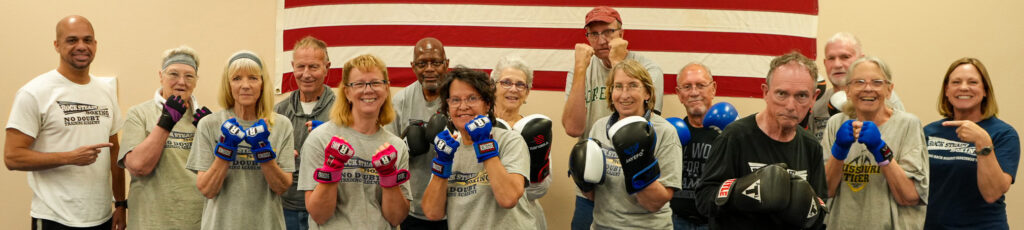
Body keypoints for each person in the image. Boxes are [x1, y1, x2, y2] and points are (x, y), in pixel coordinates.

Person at [4, 15, 126, 230]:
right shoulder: (34, 92)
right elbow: (12, 157)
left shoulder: (105, 92)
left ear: (95, 45)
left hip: (102, 217)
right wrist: (69, 157)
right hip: (54, 218)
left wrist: (120, 204)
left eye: (87, 40)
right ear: (57, 45)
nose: (81, 46)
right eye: (72, 40)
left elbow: (115, 152)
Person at [696, 52, 827, 229]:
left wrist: (807, 209)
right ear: (765, 92)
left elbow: (820, 211)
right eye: (782, 93)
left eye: (801, 96)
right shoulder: (735, 137)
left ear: (814, 97)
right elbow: (704, 200)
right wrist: (742, 192)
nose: (790, 105)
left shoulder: (811, 146)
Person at [562, 7, 664, 229]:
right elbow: (573, 127)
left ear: (622, 34)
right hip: (591, 187)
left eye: (608, 32)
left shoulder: (648, 69)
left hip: (632, 185)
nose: (601, 40)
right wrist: (580, 69)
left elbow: (644, 126)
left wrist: (618, 62)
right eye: (594, 34)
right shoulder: (581, 71)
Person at [298, 54, 411, 229]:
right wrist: (331, 170)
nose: (368, 90)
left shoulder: (396, 146)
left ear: (387, 88)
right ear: (347, 92)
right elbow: (319, 215)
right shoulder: (320, 139)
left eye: (375, 83)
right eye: (359, 84)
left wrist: (389, 178)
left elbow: (396, 218)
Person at [185, 51, 295, 229]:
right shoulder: (210, 124)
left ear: (263, 83)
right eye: (236, 78)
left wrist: (263, 150)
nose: (245, 85)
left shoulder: (281, 125)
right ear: (228, 85)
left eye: (253, 78)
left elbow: (282, 187)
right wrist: (225, 149)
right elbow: (207, 190)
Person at [570, 59, 681, 229]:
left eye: (633, 85)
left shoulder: (665, 131)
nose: (624, 94)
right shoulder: (599, 127)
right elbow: (593, 196)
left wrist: (637, 163)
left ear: (647, 93)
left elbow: (654, 203)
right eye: (618, 86)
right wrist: (583, 180)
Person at [821, 56, 928, 229]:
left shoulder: (908, 124)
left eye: (877, 82)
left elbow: (910, 196)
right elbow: (825, 192)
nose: (868, 88)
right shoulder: (836, 124)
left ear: (889, 90)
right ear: (847, 90)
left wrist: (880, 149)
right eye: (859, 82)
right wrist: (839, 151)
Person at [420, 67, 535, 229]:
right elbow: (432, 212)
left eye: (472, 98)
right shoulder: (449, 148)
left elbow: (508, 199)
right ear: (448, 107)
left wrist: (484, 144)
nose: (463, 106)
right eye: (455, 100)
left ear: (487, 104)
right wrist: (442, 164)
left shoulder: (510, 140)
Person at [118, 45, 210, 229]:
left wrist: (211, 135)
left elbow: (218, 176)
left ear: (196, 81)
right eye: (173, 74)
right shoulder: (139, 114)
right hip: (149, 221)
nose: (181, 82)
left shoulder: (206, 119)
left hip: (195, 221)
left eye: (189, 76)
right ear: (161, 76)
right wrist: (165, 123)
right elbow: (138, 167)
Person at [923, 58, 1019, 229]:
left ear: (985, 91)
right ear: (947, 90)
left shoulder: (1004, 134)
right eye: (956, 82)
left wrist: (982, 142)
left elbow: (992, 193)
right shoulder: (929, 132)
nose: (964, 87)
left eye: (973, 82)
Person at [386, 37, 450, 230]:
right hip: (413, 207)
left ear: (446, 64)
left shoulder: (457, 98)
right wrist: (407, 148)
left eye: (436, 62)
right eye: (422, 63)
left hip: (454, 207)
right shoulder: (401, 101)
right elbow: (388, 154)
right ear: (413, 67)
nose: (429, 69)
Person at [274, 36, 336, 230]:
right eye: (301, 67)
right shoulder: (278, 112)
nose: (306, 74)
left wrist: (330, 139)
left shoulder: (342, 112)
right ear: (293, 66)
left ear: (327, 67)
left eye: (314, 67)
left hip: (327, 206)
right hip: (284, 206)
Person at [490, 56, 553, 229]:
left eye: (520, 84)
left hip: (525, 220)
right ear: (493, 87)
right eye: (506, 82)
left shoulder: (534, 130)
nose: (513, 89)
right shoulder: (480, 129)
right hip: (486, 218)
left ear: (527, 92)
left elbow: (541, 189)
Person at [808, 32, 905, 140]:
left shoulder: (884, 98)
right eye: (831, 58)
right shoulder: (818, 102)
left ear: (861, 60)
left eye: (845, 57)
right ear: (825, 63)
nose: (837, 64)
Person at [668, 63, 720, 230]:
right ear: (679, 94)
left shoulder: (728, 133)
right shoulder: (671, 132)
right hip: (676, 221)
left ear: (713, 89)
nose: (694, 92)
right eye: (687, 87)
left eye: (700, 85)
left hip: (713, 222)